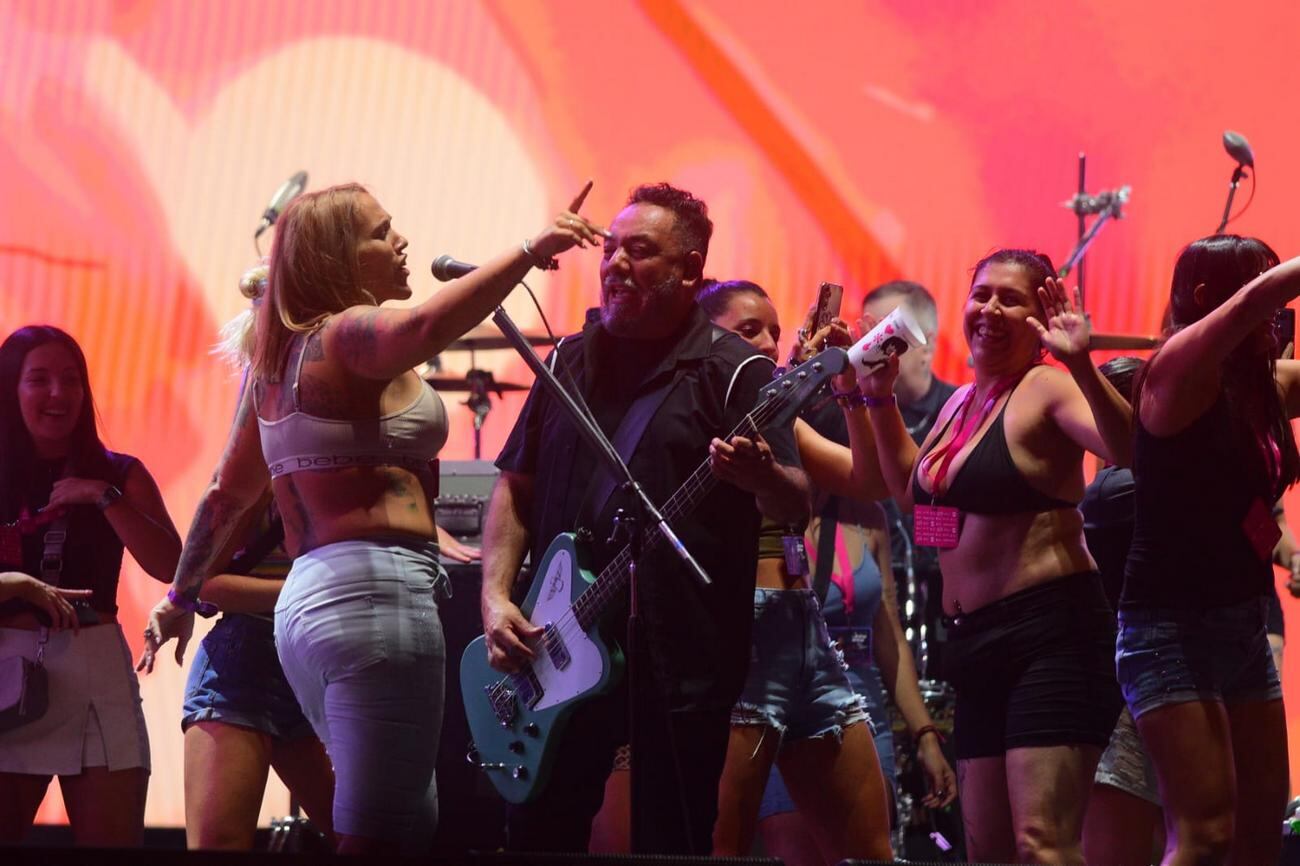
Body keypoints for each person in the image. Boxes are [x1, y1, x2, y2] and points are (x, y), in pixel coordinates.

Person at [139, 181, 604, 854]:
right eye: (382, 233)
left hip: (311, 603)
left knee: (396, 818)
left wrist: (180, 597)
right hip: (374, 601)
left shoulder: (277, 363)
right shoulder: (348, 334)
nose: (402, 240)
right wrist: (532, 248)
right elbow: (422, 327)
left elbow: (222, 496)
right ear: (338, 259)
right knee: (379, 837)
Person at [480, 184, 809, 855]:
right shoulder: (568, 359)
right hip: (558, 640)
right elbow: (514, 487)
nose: (615, 264)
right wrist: (493, 596)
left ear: (688, 270)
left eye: (640, 250)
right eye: (609, 248)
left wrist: (762, 476)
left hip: (680, 657)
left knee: (673, 838)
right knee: (538, 837)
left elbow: (796, 502)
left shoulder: (734, 370)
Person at [859, 249, 1132, 864]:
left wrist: (1081, 364)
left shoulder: (1048, 387)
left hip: (1051, 637)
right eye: (982, 294)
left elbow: (1130, 447)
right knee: (989, 851)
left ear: (1041, 316)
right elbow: (910, 494)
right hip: (974, 644)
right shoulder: (960, 404)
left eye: (1011, 298)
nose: (990, 309)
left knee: (1043, 843)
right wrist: (878, 399)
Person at [699, 280, 955, 866]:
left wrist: (849, 392)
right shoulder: (709, 413)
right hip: (755, 638)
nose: (766, 342)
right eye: (748, 332)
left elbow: (876, 485)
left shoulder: (798, 429)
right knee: (741, 844)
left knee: (872, 851)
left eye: (771, 328)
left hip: (815, 648)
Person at [1118, 236, 1300, 866]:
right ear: (1205, 299)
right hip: (1170, 630)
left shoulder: (1260, 386)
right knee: (1205, 835)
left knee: (1258, 834)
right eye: (1259, 287)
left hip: (1243, 625)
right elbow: (1260, 301)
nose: (1275, 313)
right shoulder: (1175, 370)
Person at [0, 325, 181, 846]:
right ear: (11, 389)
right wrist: (15, 583)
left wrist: (103, 497)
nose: (59, 393)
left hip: (95, 667)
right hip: (8, 668)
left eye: (71, 380)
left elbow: (171, 564)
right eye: (39, 379)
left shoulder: (119, 473)